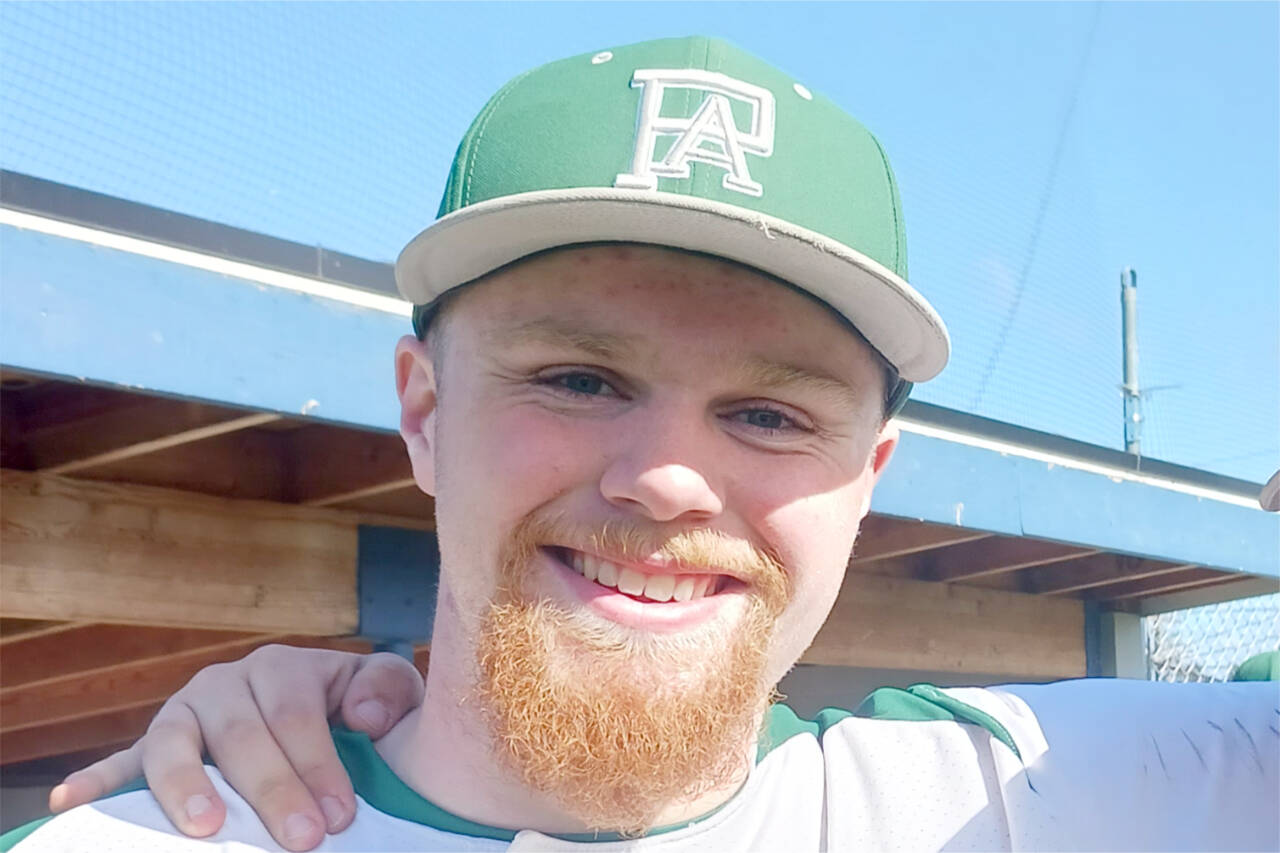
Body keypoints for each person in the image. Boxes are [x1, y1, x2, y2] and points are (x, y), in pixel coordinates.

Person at [8, 35, 1277, 853]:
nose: (665, 477)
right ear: (424, 412)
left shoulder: (1056, 797)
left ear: (866, 481)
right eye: (576, 377)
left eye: (769, 414)